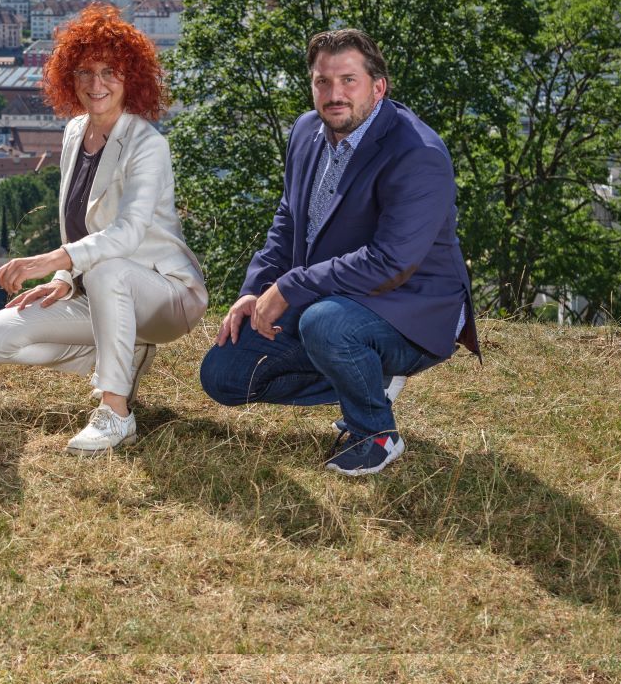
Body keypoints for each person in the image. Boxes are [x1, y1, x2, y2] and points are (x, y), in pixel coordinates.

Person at [199, 28, 479, 476]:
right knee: (224, 374)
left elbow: (391, 262)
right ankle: (370, 377)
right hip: (334, 296)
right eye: (322, 82)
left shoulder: (417, 153)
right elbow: (289, 220)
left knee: (326, 325)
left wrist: (289, 288)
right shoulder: (307, 130)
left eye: (349, 80)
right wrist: (255, 289)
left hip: (411, 307)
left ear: (378, 86)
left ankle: (376, 433)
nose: (335, 94)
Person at [0, 3, 207, 452]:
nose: (95, 84)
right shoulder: (74, 132)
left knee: (107, 269)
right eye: (84, 71)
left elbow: (127, 233)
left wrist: (51, 261)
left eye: (109, 72)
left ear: (130, 78)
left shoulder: (146, 143)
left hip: (165, 295)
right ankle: (121, 353)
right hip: (96, 291)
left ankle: (116, 413)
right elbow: (78, 222)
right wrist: (63, 279)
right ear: (69, 77)